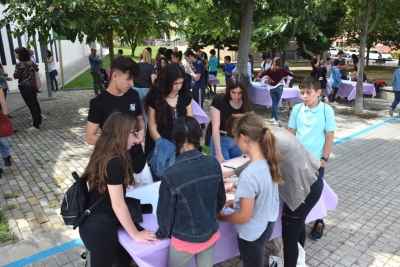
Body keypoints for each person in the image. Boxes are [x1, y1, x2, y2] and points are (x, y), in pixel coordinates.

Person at [223, 114, 324, 267]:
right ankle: (298, 260)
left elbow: (255, 176)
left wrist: (225, 211)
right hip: (308, 184)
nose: (235, 142)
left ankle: (293, 262)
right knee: (297, 228)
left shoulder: (270, 144)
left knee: (290, 236)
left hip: (305, 190)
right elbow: (257, 168)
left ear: (244, 136)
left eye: (235, 137)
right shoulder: (266, 133)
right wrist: (232, 177)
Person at [79, 112, 158, 267]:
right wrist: (135, 234)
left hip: (97, 221)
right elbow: (118, 204)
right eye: (133, 133)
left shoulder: (104, 152)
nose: (135, 138)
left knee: (122, 258)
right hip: (100, 229)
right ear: (122, 133)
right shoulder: (114, 162)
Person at [156, 116, 225, 267]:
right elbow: (220, 201)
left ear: (175, 139)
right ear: (198, 137)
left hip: (184, 237)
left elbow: (165, 214)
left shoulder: (170, 174)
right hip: (210, 231)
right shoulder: (213, 163)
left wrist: (163, 232)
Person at [218, 113, 283, 267]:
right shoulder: (268, 161)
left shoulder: (249, 174)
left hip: (252, 234)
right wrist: (238, 202)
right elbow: (263, 197)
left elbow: (244, 217)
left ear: (244, 137)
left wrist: (222, 217)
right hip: (267, 224)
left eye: (236, 138)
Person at [86, 56, 153, 189]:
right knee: (127, 205)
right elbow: (90, 137)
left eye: (133, 79)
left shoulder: (133, 95)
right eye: (128, 79)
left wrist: (141, 131)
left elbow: (139, 119)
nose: (132, 83)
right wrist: (118, 143)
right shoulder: (98, 103)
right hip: (117, 164)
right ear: (115, 75)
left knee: (150, 198)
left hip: (139, 159)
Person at [288, 76, 336, 241]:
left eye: (308, 93)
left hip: (316, 161)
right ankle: (301, 219)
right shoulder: (297, 109)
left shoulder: (326, 111)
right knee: (298, 193)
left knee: (316, 192)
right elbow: (291, 134)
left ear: (319, 92)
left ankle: (319, 220)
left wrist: (324, 159)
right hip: (297, 160)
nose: (305, 96)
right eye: (302, 93)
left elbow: (329, 137)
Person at [144, 63, 193, 175]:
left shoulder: (185, 96)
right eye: (175, 83)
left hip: (183, 145)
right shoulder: (155, 98)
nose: (178, 86)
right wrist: (166, 146)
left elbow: (190, 121)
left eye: (181, 83)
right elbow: (152, 129)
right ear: (166, 81)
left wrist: (187, 143)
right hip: (162, 146)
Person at [210, 73, 252, 163]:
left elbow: (248, 127)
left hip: (237, 141)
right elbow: (215, 128)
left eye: (240, 93)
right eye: (233, 92)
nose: (236, 96)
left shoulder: (247, 103)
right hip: (220, 140)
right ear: (228, 90)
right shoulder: (219, 100)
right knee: (224, 170)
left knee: (235, 170)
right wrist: (218, 153)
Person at [13, 47, 42, 132]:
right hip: (33, 86)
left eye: (16, 53)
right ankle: (38, 120)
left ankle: (35, 125)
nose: (15, 54)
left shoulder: (20, 64)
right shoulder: (30, 62)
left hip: (24, 86)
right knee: (35, 103)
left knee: (31, 105)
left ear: (21, 54)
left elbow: (16, 76)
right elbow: (36, 69)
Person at [259, 58, 294, 125]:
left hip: (272, 88)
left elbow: (262, 74)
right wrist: (284, 78)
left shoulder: (270, 69)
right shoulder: (282, 69)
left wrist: (260, 77)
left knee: (274, 103)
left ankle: (272, 117)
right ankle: (276, 119)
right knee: (276, 103)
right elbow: (291, 74)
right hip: (280, 87)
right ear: (280, 62)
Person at [133, 49, 156, 129]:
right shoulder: (150, 67)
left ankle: (137, 129)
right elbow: (153, 81)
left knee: (137, 111)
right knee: (147, 112)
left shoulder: (135, 66)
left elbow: (132, 79)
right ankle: (147, 130)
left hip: (136, 89)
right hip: (147, 90)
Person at [184, 48, 206, 129]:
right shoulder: (192, 63)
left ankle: (202, 126)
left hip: (199, 87)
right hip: (194, 87)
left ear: (190, 56)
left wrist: (190, 69)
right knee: (196, 106)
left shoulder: (199, 63)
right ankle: (199, 125)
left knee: (199, 106)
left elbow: (197, 77)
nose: (186, 61)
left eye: (186, 58)